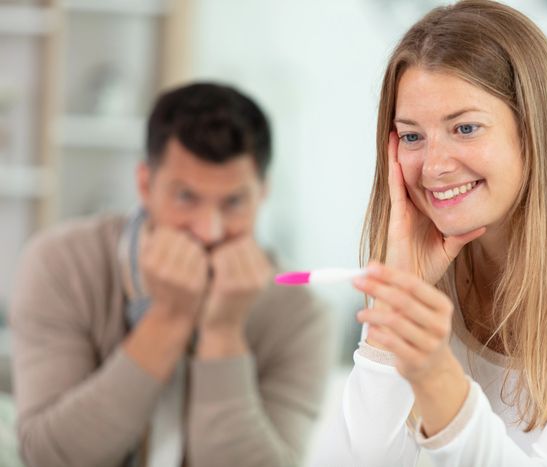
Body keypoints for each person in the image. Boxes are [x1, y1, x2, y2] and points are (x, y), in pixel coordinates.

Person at [313, 1, 547, 466]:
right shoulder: (431, 271)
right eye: (412, 136)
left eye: (465, 128)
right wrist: (392, 310)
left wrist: (437, 377)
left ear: (534, 130)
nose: (434, 167)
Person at [10, 82, 334, 467]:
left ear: (262, 193)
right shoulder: (62, 264)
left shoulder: (301, 313)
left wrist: (224, 331)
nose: (209, 230)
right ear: (145, 185)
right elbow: (49, 457)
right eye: (185, 197)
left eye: (233, 202)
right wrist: (169, 317)